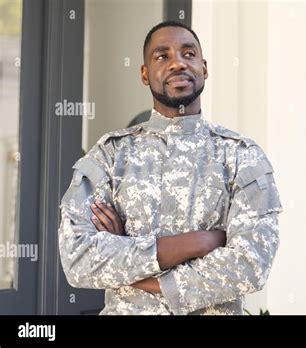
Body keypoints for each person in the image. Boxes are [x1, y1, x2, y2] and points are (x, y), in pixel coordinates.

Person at [58, 20, 282, 315]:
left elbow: (251, 265)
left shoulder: (242, 156)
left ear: (204, 67)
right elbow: (78, 260)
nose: (178, 63)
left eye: (188, 54)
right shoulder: (110, 156)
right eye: (162, 56)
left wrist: (135, 262)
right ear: (144, 73)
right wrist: (198, 242)